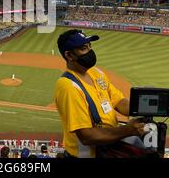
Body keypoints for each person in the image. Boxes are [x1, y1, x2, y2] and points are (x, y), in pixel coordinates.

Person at [54, 29, 145, 158]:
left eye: (90, 46)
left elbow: (118, 101)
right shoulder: (68, 86)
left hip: (107, 149)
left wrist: (142, 108)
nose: (90, 51)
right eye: (84, 48)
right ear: (69, 55)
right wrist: (128, 130)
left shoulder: (96, 73)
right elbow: (87, 136)